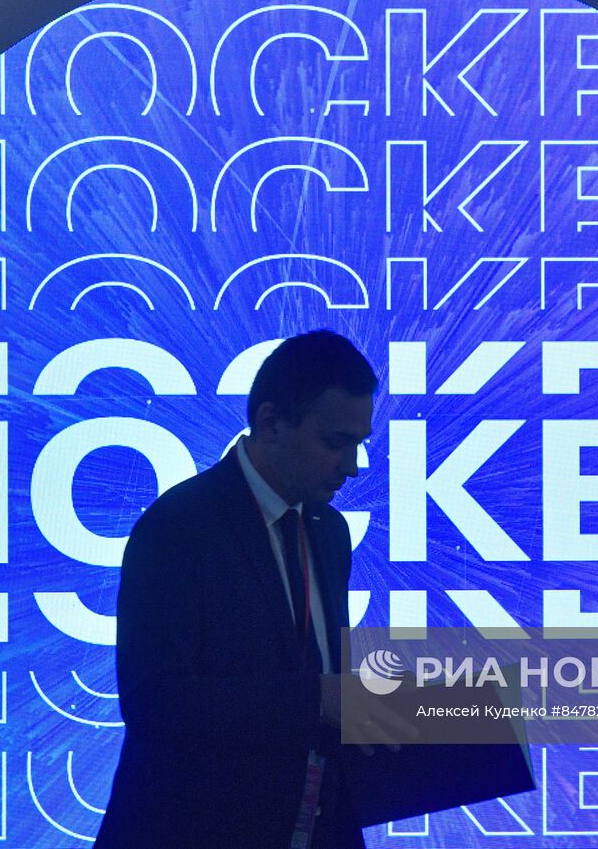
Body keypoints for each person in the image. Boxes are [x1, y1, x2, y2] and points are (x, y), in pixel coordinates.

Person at [95, 329, 408, 848]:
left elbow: (320, 689)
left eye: (358, 444)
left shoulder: (330, 531)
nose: (352, 467)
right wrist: (320, 698)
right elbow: (154, 704)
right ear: (270, 423)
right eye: (336, 443)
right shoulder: (176, 527)